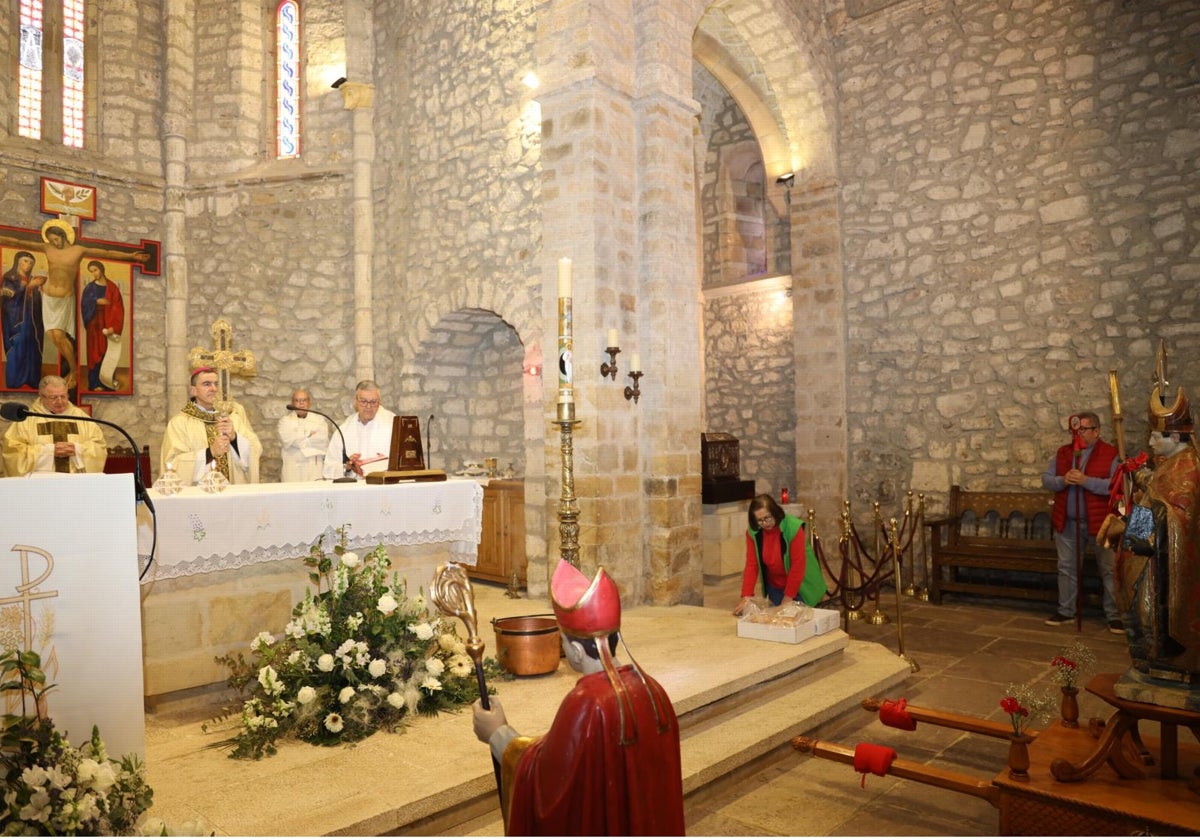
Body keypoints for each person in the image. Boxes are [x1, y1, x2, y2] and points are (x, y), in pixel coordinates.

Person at [471, 560, 685, 835]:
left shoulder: (585, 703)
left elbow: (546, 783)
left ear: (577, 652)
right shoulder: (653, 690)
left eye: (563, 639)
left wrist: (498, 734)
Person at [1111, 385, 1200, 685]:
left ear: (1175, 437)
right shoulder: (1172, 463)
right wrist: (1144, 481)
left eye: (1155, 436)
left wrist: (1131, 525)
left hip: (1165, 570)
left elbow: (1176, 515)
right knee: (1138, 614)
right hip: (1149, 559)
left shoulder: (1187, 467)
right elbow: (1159, 495)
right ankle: (1149, 660)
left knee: (1150, 615)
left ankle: (1168, 664)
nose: (1149, 441)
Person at [0, 219, 150, 390]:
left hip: (64, 298)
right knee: (52, 336)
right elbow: (18, 242)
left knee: (60, 335)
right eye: (50, 239)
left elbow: (106, 253)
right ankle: (72, 370)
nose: (53, 242)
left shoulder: (78, 250)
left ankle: (74, 371)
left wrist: (131, 257)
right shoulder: (47, 248)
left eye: (55, 238)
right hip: (48, 296)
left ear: (62, 236)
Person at [1041, 411, 1122, 633]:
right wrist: (1062, 480)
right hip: (1068, 522)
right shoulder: (1064, 453)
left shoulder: (1111, 454)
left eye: (1082, 430)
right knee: (1066, 567)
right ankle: (1067, 611)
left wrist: (1087, 481)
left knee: (1108, 569)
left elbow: (1116, 486)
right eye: (1074, 430)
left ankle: (1114, 615)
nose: (1077, 434)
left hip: (1101, 522)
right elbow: (1047, 479)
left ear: (1096, 431)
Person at [160, 366, 261, 484]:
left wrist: (234, 438)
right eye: (207, 384)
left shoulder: (233, 417)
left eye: (216, 384)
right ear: (193, 390)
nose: (213, 388)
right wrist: (210, 452)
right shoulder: (179, 423)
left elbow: (256, 450)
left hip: (233, 493)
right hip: (199, 496)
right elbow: (172, 464)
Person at [733, 493, 826, 616]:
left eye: (768, 517)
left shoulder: (793, 527)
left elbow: (797, 565)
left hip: (802, 586)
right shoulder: (754, 532)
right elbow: (752, 565)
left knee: (803, 624)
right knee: (778, 625)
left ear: (775, 512)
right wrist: (746, 596)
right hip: (775, 586)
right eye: (760, 520)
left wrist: (788, 597)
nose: (765, 523)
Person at [2, 375, 107, 475]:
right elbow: (12, 453)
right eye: (53, 397)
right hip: (40, 485)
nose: (60, 401)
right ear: (41, 396)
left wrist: (77, 449)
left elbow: (99, 448)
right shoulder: (27, 420)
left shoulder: (81, 418)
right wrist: (48, 451)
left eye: (63, 396)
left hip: (74, 484)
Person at [321, 379, 395, 480]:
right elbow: (328, 469)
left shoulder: (393, 424)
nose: (368, 406)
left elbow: (404, 462)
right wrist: (347, 468)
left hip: (384, 488)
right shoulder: (344, 430)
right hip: (355, 491)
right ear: (356, 401)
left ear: (379, 402)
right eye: (364, 401)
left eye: (373, 402)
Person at [1, 250, 46, 390]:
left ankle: (32, 380)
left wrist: (39, 291)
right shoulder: (10, 278)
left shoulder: (34, 279)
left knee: (33, 348)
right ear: (18, 263)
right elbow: (8, 298)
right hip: (16, 321)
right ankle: (15, 382)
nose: (28, 265)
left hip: (33, 321)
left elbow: (38, 302)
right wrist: (26, 286)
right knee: (17, 347)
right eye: (25, 261)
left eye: (31, 263)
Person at [79, 260, 125, 392]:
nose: (94, 273)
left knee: (108, 353)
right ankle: (94, 383)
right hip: (94, 324)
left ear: (102, 269)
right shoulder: (90, 288)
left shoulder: (112, 287)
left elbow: (118, 308)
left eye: (95, 270)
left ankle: (107, 383)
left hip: (108, 324)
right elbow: (84, 304)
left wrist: (114, 327)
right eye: (91, 271)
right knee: (95, 353)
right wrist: (95, 301)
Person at [277, 388, 330, 482]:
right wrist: (309, 436)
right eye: (297, 401)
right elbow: (288, 440)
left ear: (309, 402)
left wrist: (299, 437)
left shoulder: (319, 420)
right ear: (292, 403)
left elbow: (322, 439)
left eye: (304, 400)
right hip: (292, 468)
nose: (301, 403)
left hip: (314, 467)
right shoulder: (284, 422)